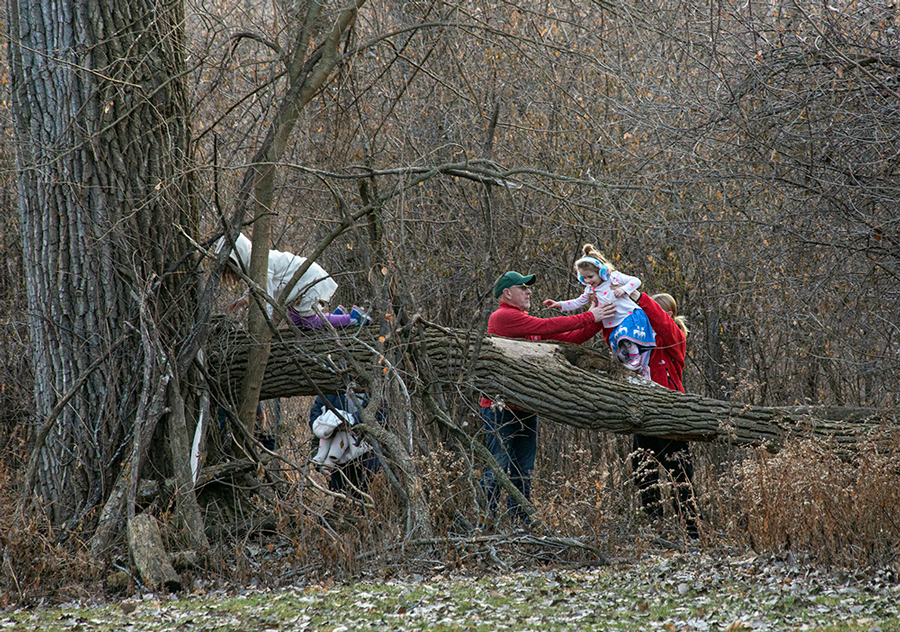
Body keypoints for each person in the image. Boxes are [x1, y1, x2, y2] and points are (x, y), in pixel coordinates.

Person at [479, 270, 615, 528]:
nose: (529, 291)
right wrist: (589, 315)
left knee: (524, 470)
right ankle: (485, 524)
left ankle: (520, 525)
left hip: (526, 406)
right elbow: (547, 326)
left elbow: (571, 338)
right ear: (507, 293)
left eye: (529, 288)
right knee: (497, 468)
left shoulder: (524, 321)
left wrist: (599, 317)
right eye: (523, 287)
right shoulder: (503, 317)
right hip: (500, 407)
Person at [623, 290, 698, 538]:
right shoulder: (642, 343)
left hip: (671, 413)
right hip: (643, 414)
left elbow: (664, 325)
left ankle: (692, 531)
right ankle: (656, 530)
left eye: (651, 314)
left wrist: (638, 296)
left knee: (680, 474)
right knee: (644, 472)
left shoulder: (675, 338)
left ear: (666, 315)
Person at [544, 244, 655, 378]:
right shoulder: (590, 289)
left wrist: (624, 290)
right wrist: (559, 304)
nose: (588, 281)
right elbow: (577, 302)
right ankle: (641, 369)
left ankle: (636, 359)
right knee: (619, 351)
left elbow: (635, 281)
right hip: (614, 323)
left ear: (601, 272)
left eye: (591, 277)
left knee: (625, 338)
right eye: (584, 278)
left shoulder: (614, 278)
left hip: (630, 316)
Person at [219, 232, 370, 327]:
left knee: (309, 322)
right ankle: (338, 316)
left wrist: (267, 327)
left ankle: (354, 319)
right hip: (298, 287)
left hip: (308, 281)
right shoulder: (254, 262)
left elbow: (266, 294)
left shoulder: (260, 261)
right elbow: (258, 288)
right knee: (299, 324)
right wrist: (244, 300)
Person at [309, 393, 381, 501]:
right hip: (338, 463)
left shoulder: (374, 392)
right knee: (341, 504)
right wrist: (321, 465)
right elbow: (318, 432)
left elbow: (383, 421)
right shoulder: (330, 393)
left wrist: (353, 420)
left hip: (369, 461)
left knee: (368, 503)